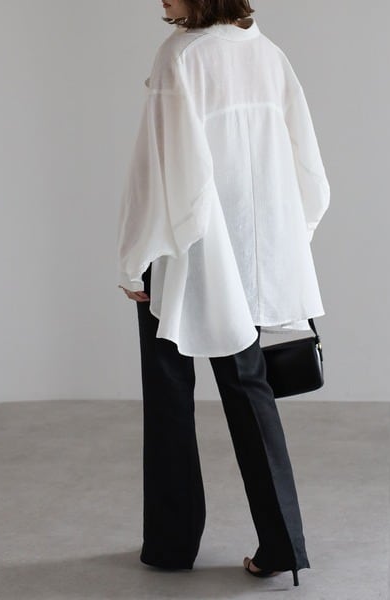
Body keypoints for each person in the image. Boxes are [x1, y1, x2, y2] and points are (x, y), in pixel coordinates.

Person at [117, 0, 330, 588]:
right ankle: (284, 544)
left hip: (186, 250)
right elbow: (309, 171)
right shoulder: (268, 54)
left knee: (169, 393)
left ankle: (171, 544)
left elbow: (159, 170)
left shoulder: (180, 56)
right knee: (248, 386)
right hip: (252, 256)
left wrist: (134, 260)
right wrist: (283, 246)